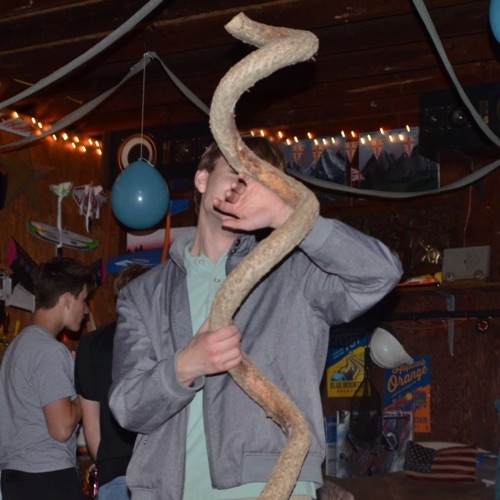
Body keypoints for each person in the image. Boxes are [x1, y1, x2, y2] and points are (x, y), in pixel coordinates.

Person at [109, 137, 403, 500]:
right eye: (237, 170)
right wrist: (185, 366)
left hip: (275, 485)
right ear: (202, 179)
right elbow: (127, 407)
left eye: (261, 181)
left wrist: (287, 217)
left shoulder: (294, 271)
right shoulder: (143, 295)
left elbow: (381, 274)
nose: (245, 186)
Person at [0, 257, 94, 500]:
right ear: (67, 299)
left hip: (15, 478)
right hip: (48, 476)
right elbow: (62, 428)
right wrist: (84, 387)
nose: (85, 310)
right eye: (83, 300)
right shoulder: (49, 350)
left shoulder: (16, 347)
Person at [74, 263, 151, 500]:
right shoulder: (164, 342)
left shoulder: (91, 344)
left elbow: (91, 425)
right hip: (157, 472)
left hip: (114, 471)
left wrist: (108, 462)